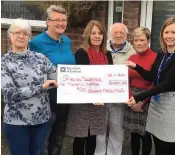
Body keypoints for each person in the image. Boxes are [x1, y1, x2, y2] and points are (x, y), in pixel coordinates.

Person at [126, 17, 175, 155]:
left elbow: (166, 84)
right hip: (157, 104)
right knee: (158, 146)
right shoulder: (162, 53)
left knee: (168, 148)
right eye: (166, 32)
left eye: (173, 32)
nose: (169, 36)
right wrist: (136, 66)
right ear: (162, 34)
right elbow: (153, 76)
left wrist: (139, 97)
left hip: (171, 106)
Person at [1, 18, 57, 155]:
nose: (21, 36)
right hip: (17, 122)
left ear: (29, 37)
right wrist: (41, 87)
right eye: (17, 32)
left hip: (42, 120)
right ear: (10, 35)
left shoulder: (40, 58)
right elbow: (10, 93)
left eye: (25, 33)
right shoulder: (3, 62)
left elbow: (56, 75)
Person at [29, 5, 76, 155]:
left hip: (65, 96)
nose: (61, 23)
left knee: (59, 135)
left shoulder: (67, 41)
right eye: (57, 20)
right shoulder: (36, 43)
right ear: (48, 22)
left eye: (64, 20)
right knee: (43, 135)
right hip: (46, 97)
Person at [66, 20, 113, 155]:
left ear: (104, 36)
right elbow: (82, 80)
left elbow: (110, 78)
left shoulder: (108, 54)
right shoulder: (81, 52)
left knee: (93, 137)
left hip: (99, 104)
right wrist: (93, 96)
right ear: (88, 35)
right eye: (93, 33)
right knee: (80, 137)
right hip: (83, 103)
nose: (97, 36)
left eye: (100, 33)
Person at [95, 23, 136, 155]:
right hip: (101, 98)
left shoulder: (132, 52)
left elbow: (134, 76)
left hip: (119, 100)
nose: (118, 36)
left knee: (117, 132)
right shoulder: (101, 48)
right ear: (110, 34)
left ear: (126, 35)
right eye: (115, 33)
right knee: (99, 131)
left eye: (121, 33)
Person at [123, 27, 157, 155]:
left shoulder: (155, 57)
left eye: (142, 40)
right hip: (132, 98)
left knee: (145, 135)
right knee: (134, 134)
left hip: (147, 99)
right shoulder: (132, 57)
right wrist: (131, 99)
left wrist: (141, 102)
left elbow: (155, 82)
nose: (138, 43)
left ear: (148, 40)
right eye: (136, 40)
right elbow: (126, 80)